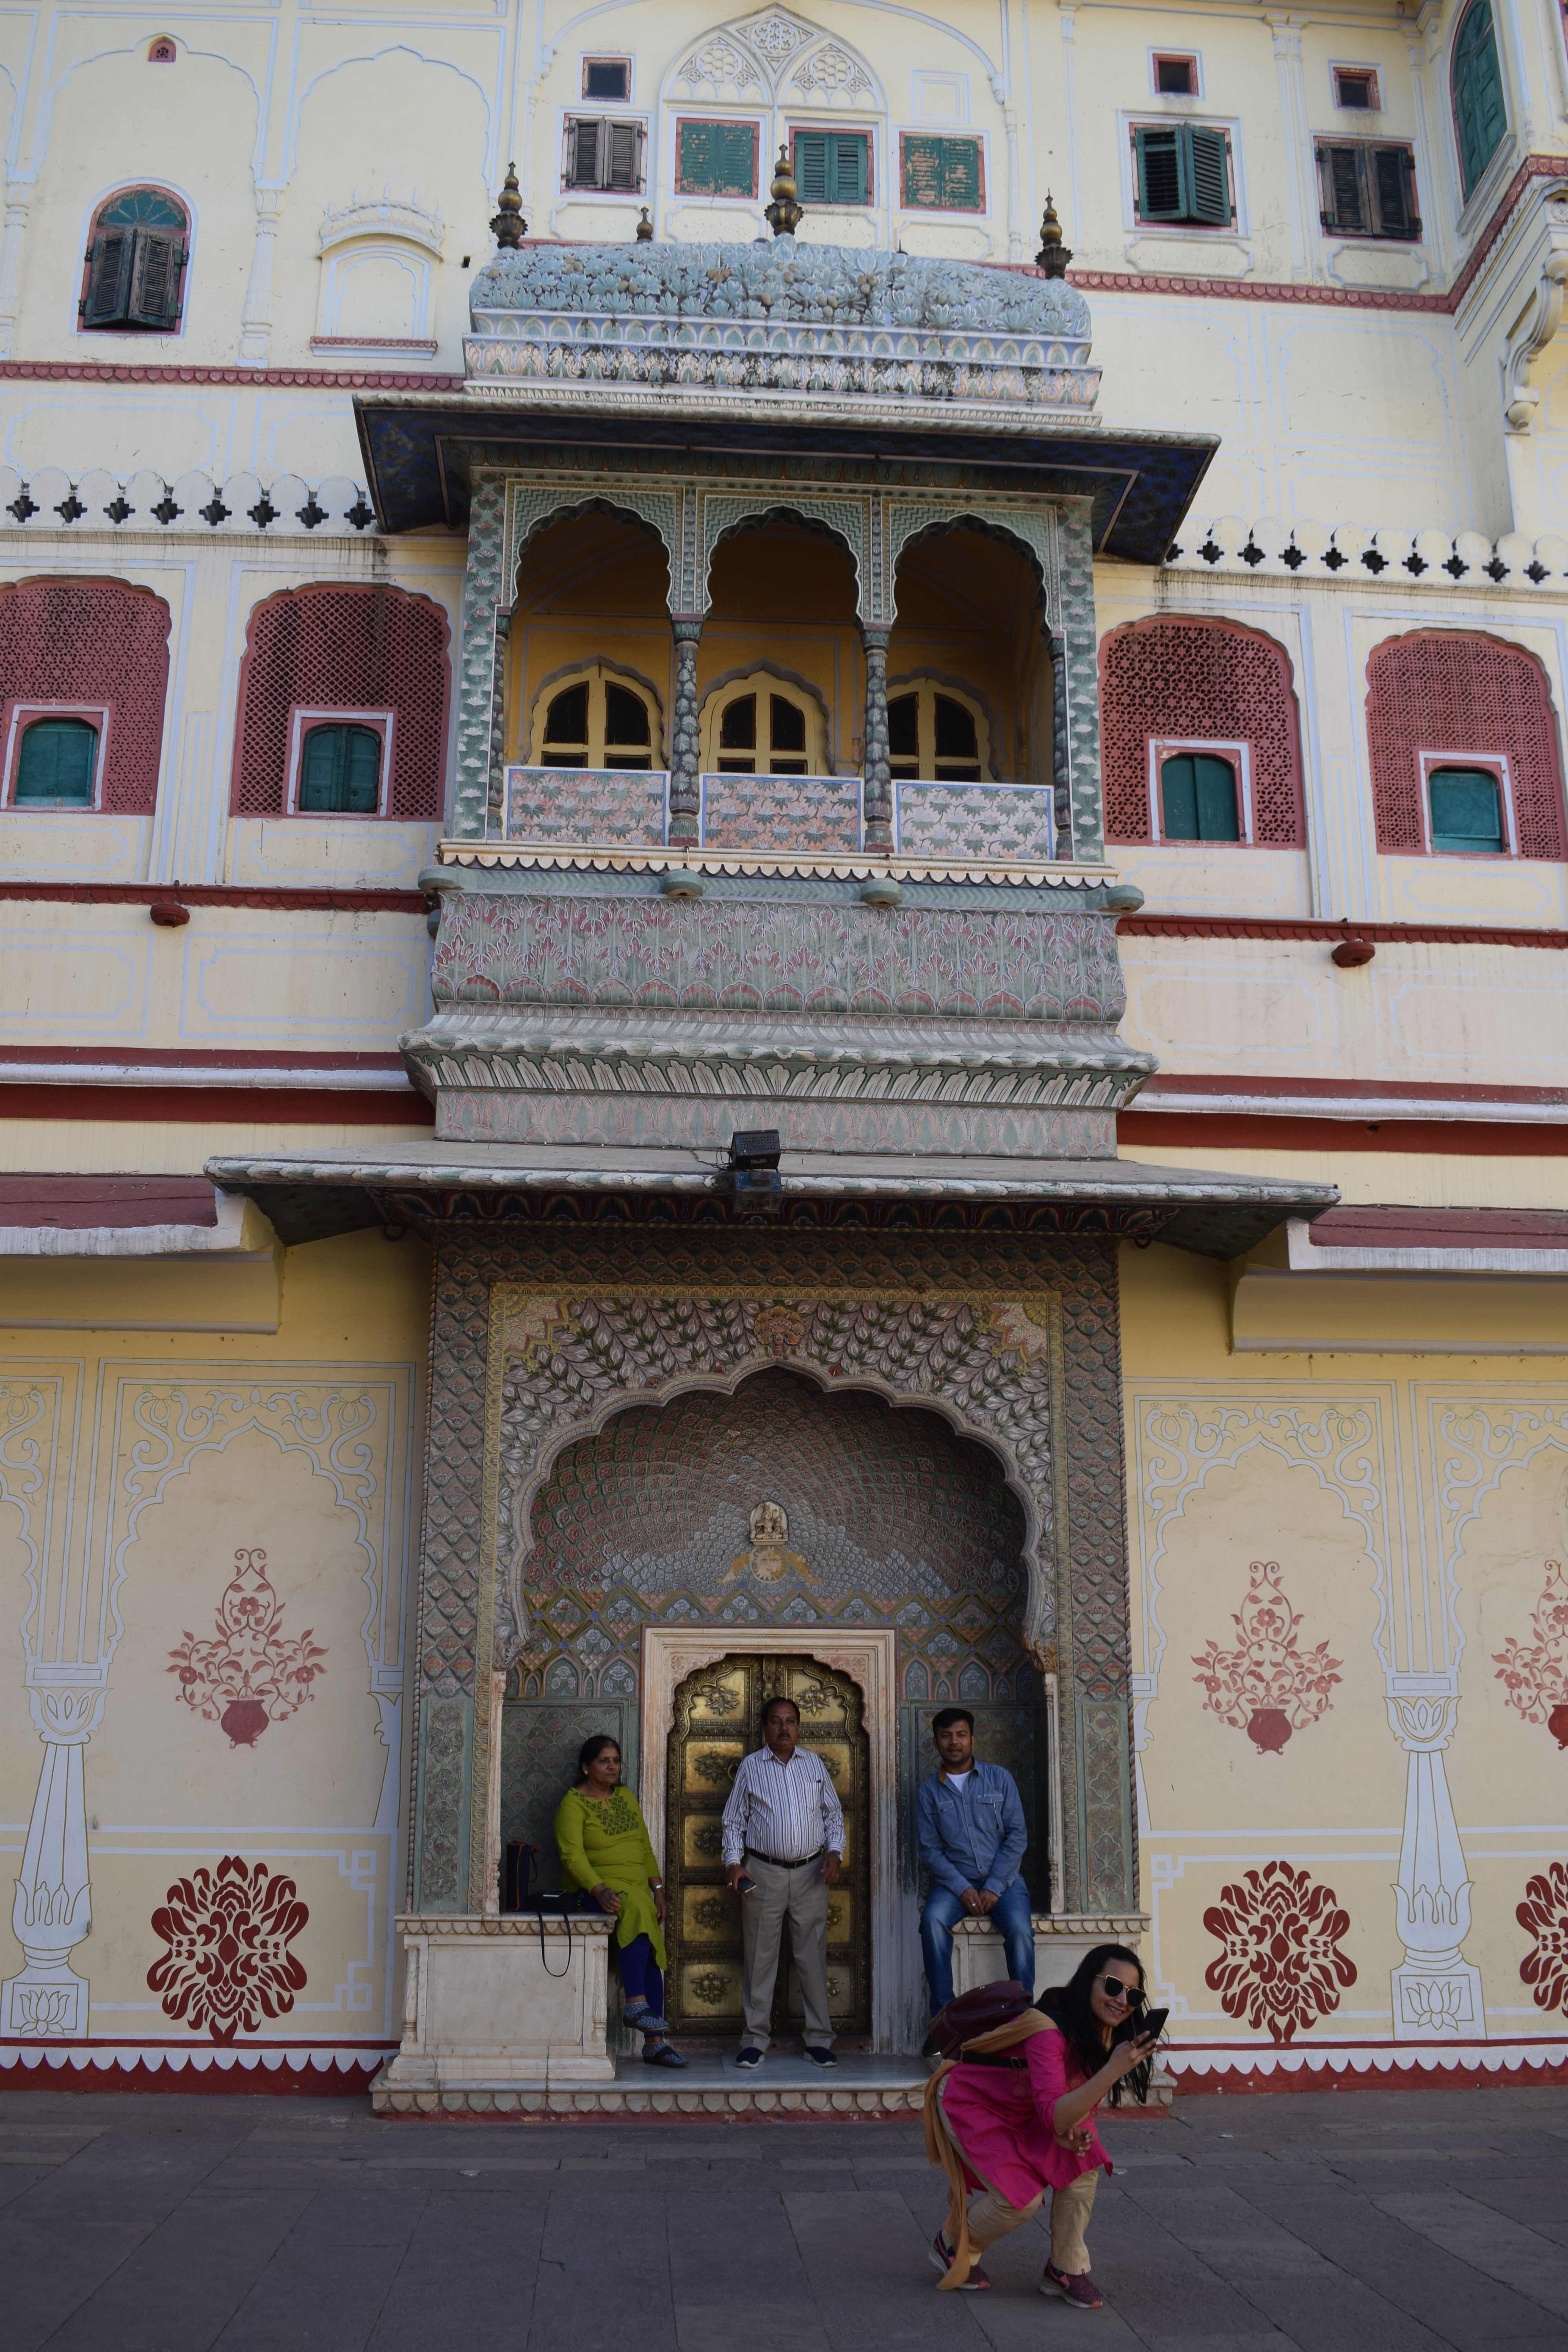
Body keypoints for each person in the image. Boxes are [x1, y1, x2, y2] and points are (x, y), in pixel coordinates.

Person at [922, 1942, 1157, 2308]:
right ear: (1088, 1982)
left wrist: (1069, 2134)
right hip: (974, 2100)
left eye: (1133, 1993)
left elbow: (1073, 2102)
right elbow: (1054, 2113)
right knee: (1019, 2202)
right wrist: (1113, 2070)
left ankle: (1065, 2269)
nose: (1122, 2000)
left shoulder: (1102, 2032)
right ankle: (952, 2244)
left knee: (1084, 2160)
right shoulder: (1048, 2030)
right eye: (1113, 1986)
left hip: (1028, 2105)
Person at [721, 1694, 845, 2070]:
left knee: (812, 1958)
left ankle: (819, 2040)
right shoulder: (751, 1767)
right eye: (776, 1721)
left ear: (799, 1726)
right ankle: (755, 2041)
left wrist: (835, 1853)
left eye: (790, 1721)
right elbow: (733, 1821)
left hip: (812, 1874)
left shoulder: (815, 1765)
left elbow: (833, 1816)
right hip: (764, 1873)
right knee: (761, 1959)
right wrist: (733, 1863)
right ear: (765, 1728)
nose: (784, 1728)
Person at [554, 1733, 686, 2069]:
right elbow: (572, 1856)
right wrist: (599, 1889)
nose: (612, 1766)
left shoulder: (625, 1796)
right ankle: (636, 2004)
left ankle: (654, 2043)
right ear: (586, 1767)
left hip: (636, 1885)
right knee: (637, 1910)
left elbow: (644, 1845)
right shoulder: (573, 1804)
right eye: (604, 1761)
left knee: (652, 1950)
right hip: (596, 1886)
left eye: (616, 1761)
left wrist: (658, 1890)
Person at [916, 1707, 1033, 2047]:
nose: (954, 1742)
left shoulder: (1000, 1779)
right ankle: (943, 2022)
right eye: (946, 1736)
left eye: (961, 1735)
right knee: (933, 1922)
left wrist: (995, 1887)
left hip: (1005, 1881)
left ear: (973, 1739)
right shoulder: (928, 1793)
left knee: (1021, 1932)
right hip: (956, 1884)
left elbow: (1017, 1837)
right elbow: (930, 1851)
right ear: (936, 1741)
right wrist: (963, 1888)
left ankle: (1025, 2019)